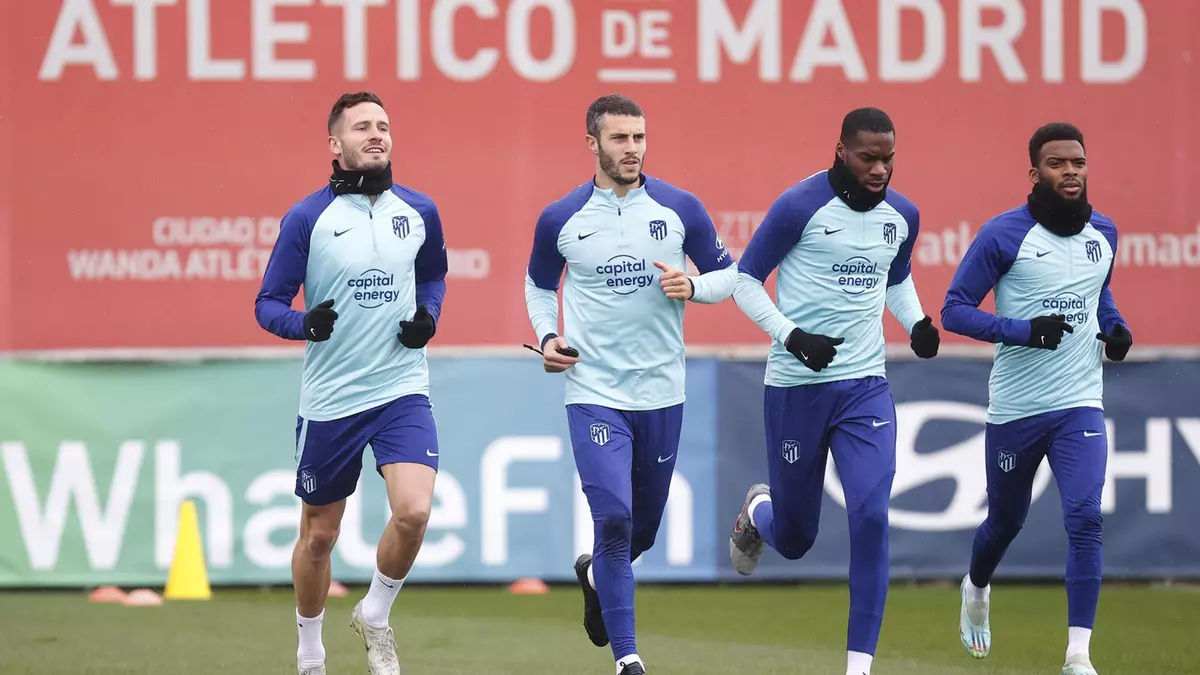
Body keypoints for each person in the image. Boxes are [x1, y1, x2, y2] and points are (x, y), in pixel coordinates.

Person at [523, 93, 737, 675]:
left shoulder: (680, 208)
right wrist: (548, 336)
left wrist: (694, 287)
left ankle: (596, 574)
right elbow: (539, 285)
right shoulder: (560, 218)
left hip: (662, 393)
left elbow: (729, 276)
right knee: (613, 517)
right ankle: (628, 660)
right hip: (594, 392)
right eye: (619, 138)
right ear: (592, 143)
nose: (632, 149)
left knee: (640, 531)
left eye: (639, 137)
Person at [726, 108, 940, 675]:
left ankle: (858, 667)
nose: (880, 169)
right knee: (796, 538)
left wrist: (916, 322)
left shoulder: (903, 215)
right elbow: (745, 281)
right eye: (869, 157)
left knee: (871, 514)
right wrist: (792, 337)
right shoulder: (799, 206)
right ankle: (759, 509)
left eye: (888, 158)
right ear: (841, 150)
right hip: (797, 387)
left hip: (865, 387)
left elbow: (895, 277)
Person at [254, 91, 449, 675]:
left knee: (414, 512)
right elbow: (267, 303)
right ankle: (310, 652)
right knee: (320, 536)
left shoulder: (419, 210)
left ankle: (375, 615)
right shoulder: (307, 218)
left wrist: (429, 316)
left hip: (401, 389)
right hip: (332, 398)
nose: (376, 134)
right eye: (362, 126)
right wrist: (303, 324)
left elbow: (433, 277)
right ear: (334, 144)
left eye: (383, 125)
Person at [942, 122, 1131, 675]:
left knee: (1086, 516)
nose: (1070, 171)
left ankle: (1078, 656)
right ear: (1034, 172)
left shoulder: (1105, 231)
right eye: (1057, 163)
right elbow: (954, 310)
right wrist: (1023, 331)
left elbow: (1099, 293)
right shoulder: (1002, 235)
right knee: (1005, 522)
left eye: (1078, 162)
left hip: (1080, 403)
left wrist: (1116, 327)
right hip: (1017, 409)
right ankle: (976, 587)